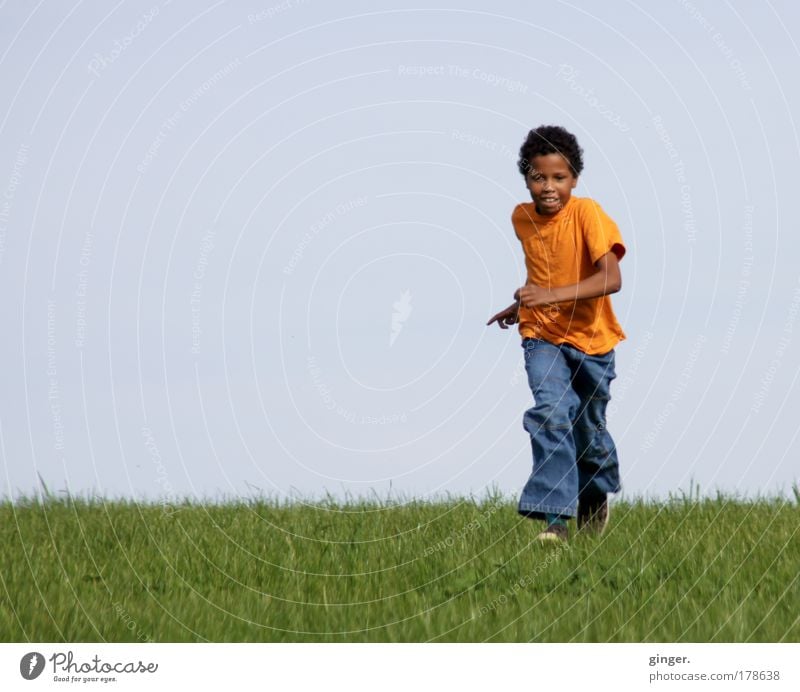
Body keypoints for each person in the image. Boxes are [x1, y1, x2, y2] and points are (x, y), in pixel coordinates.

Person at [487, 125, 626, 542]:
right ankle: (555, 523)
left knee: (589, 430)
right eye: (538, 177)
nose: (548, 187)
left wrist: (547, 295)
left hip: (592, 341)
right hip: (542, 335)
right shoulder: (521, 217)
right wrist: (524, 305)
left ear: (575, 180)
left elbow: (612, 279)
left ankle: (595, 492)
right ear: (526, 177)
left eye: (559, 178)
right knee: (550, 412)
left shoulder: (588, 214)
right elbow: (547, 270)